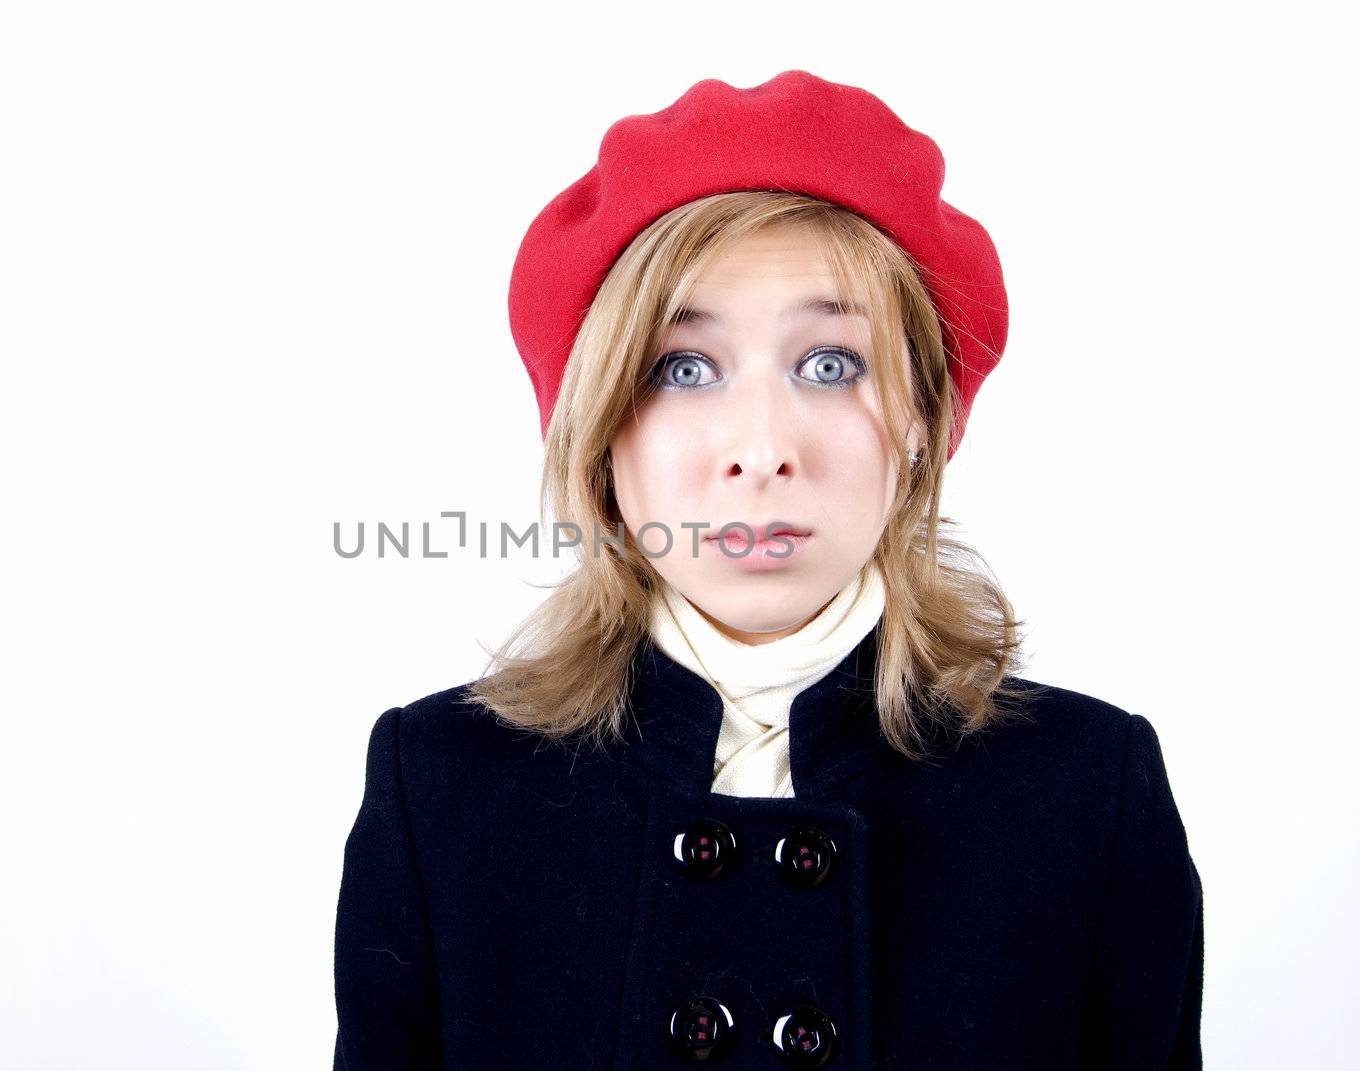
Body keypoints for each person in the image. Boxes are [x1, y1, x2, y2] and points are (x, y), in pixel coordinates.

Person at [332, 70, 1203, 1069]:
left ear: (922, 421)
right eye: (683, 368)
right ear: (601, 433)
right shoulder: (441, 787)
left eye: (830, 363)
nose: (760, 448)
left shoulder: (1087, 793)